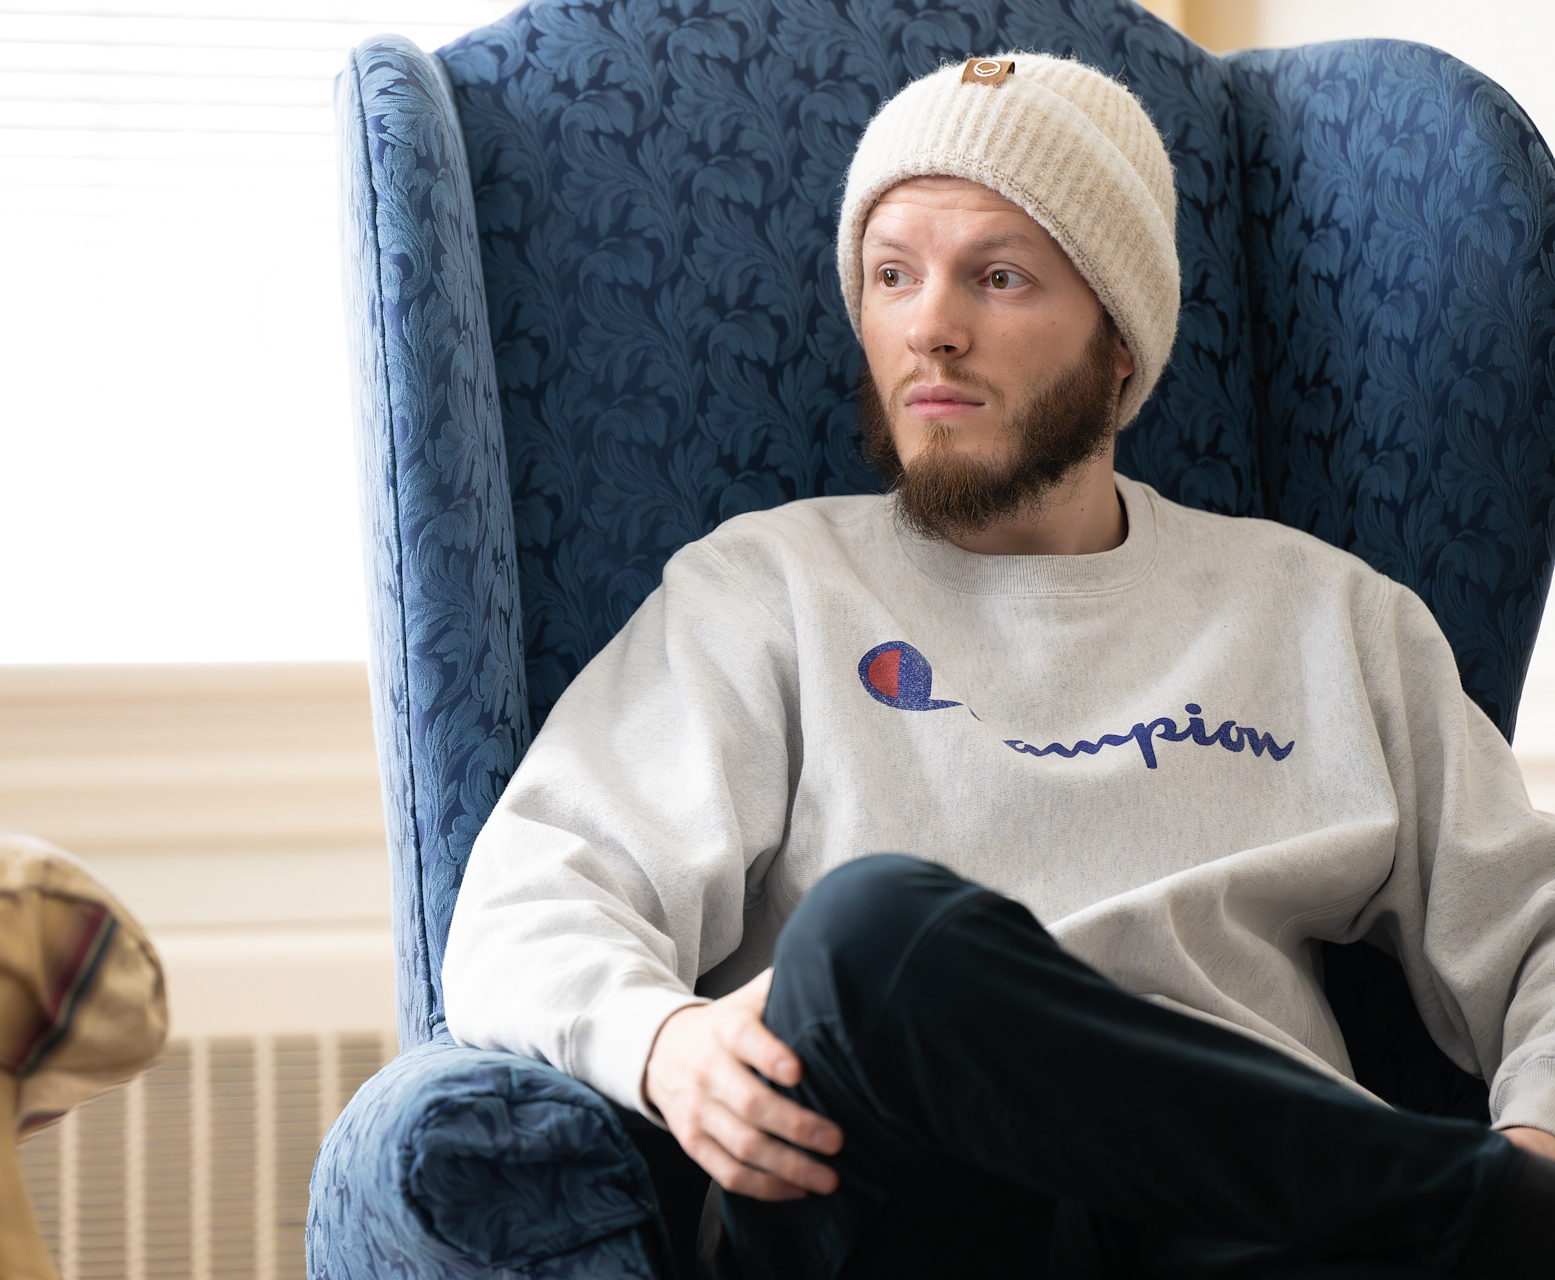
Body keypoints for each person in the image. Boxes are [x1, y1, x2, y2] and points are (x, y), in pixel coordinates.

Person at [442, 52, 1555, 1278]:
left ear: (1119, 340)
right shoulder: (765, 591)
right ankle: (1473, 1214)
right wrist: (661, 1041)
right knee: (868, 937)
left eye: (999, 275)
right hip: (905, 1221)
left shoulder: (1326, 615)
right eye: (892, 274)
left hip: (1247, 1235)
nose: (930, 326)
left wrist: (1543, 1127)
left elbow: (1537, 924)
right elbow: (525, 902)